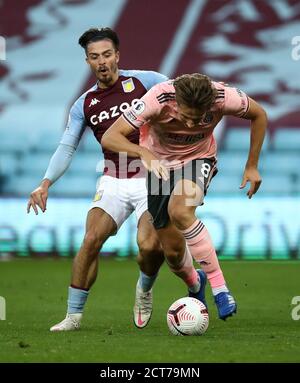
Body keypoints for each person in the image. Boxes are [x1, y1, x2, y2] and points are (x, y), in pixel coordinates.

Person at [27, 29, 204, 331]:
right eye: (95, 57)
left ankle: (144, 290)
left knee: (149, 247)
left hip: (153, 179)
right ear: (87, 61)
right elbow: (67, 145)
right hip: (113, 179)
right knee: (91, 239)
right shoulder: (84, 104)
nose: (102, 62)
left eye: (107, 55)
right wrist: (45, 183)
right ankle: (72, 316)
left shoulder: (145, 81)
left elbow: (185, 92)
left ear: (117, 56)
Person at [102, 73, 267, 320]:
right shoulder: (157, 98)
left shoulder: (223, 96)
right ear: (176, 102)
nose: (192, 125)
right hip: (159, 166)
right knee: (173, 252)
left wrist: (252, 165)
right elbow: (110, 136)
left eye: (198, 119)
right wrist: (141, 152)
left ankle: (221, 289)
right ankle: (195, 283)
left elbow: (259, 115)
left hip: (198, 160)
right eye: (187, 117)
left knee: (180, 210)